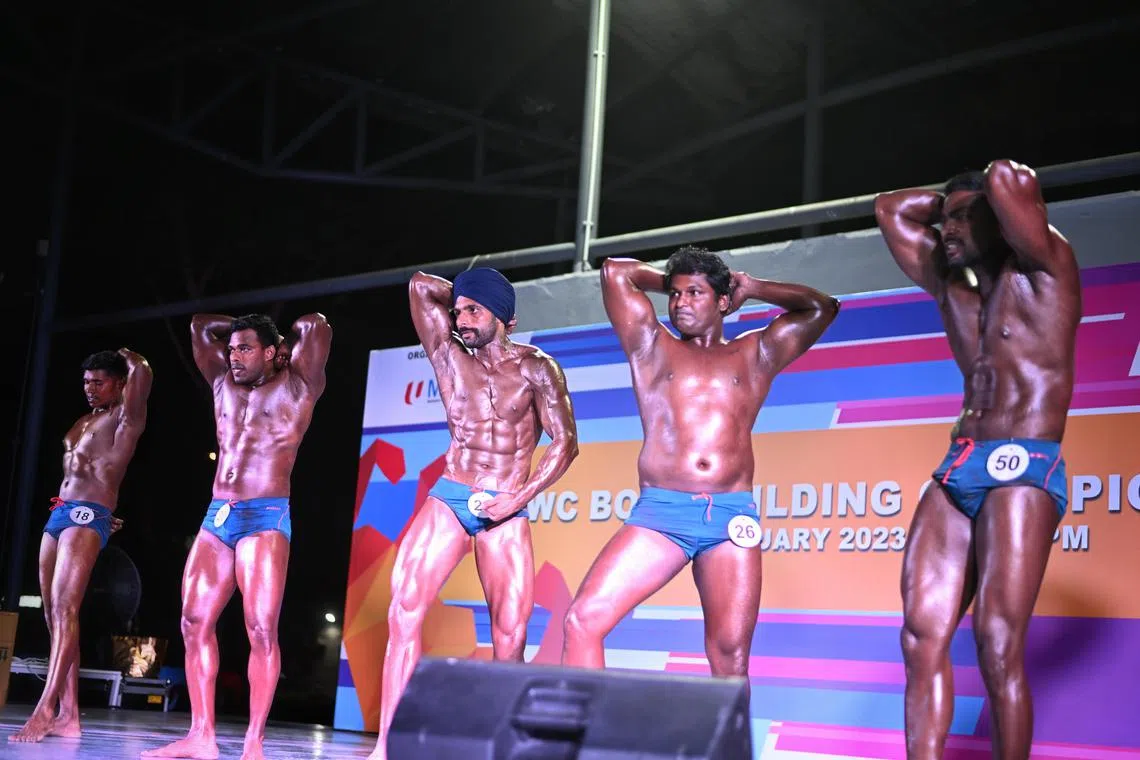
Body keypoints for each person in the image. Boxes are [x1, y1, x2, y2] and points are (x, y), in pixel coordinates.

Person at [561, 247, 839, 693]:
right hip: (662, 514)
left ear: (723, 301)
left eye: (695, 293)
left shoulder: (756, 352)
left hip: (730, 517)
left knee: (731, 658)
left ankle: (730, 735)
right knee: (583, 619)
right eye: (675, 294)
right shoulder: (651, 344)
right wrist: (676, 278)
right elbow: (615, 272)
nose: (680, 303)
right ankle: (584, 728)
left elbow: (822, 308)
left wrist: (751, 286)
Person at [874, 160, 1080, 760]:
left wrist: (984, 197)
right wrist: (951, 205)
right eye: (945, 221)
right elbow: (890, 207)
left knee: (996, 644)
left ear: (1000, 221)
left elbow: (1009, 180)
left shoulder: (1046, 266)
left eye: (965, 218)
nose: (948, 230)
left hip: (1026, 460)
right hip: (961, 460)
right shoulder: (954, 285)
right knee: (919, 636)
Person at [368, 268, 579, 760]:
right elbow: (419, 285)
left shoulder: (536, 368)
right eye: (459, 311)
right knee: (402, 611)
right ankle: (387, 747)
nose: (461, 319)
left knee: (510, 635)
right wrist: (465, 293)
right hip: (452, 494)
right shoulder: (447, 353)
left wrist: (519, 498)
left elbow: (566, 443)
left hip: (506, 503)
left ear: (505, 318)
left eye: (473, 311)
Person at [143, 312, 331, 760]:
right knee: (192, 621)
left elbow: (317, 325)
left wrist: (278, 337)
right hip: (218, 516)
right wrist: (245, 330)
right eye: (231, 349)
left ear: (273, 352)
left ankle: (253, 741)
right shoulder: (221, 383)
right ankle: (201, 735)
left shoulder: (298, 386)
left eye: (245, 348)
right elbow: (198, 326)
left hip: (265, 516)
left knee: (261, 629)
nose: (233, 356)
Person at [9, 349, 152, 743]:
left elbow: (143, 373)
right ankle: (68, 714)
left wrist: (128, 357)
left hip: (89, 513)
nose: (90, 388)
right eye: (87, 382)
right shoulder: (83, 421)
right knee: (53, 615)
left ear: (119, 384)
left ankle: (44, 709)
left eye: (99, 382)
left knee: (65, 608)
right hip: (60, 511)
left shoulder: (126, 418)